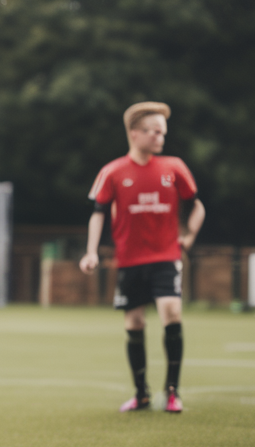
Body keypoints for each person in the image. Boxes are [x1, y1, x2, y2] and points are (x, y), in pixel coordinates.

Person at [80, 102, 205, 414]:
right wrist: (91, 251)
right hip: (130, 261)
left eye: (163, 131)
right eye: (154, 131)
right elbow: (98, 214)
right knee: (134, 322)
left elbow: (197, 206)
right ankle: (141, 394)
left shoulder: (174, 167)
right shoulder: (112, 172)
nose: (161, 136)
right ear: (135, 134)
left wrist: (188, 237)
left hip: (166, 256)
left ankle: (172, 392)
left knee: (171, 312)